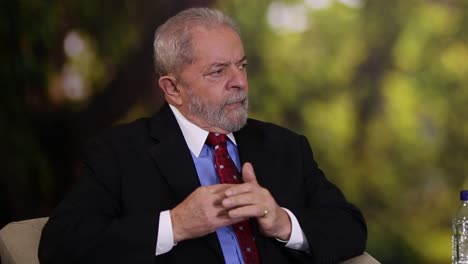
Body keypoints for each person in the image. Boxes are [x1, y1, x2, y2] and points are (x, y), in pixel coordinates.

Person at [39, 7, 367, 264]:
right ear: (173, 89)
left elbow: (351, 227)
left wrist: (282, 222)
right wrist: (177, 224)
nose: (239, 81)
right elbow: (61, 246)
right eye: (218, 70)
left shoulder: (286, 147)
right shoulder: (118, 152)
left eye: (242, 65)